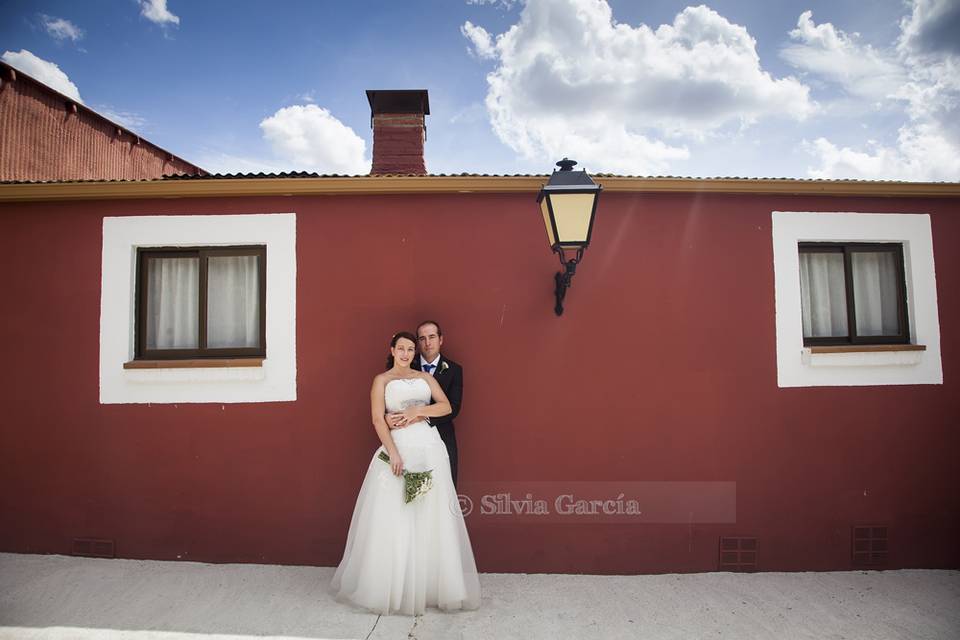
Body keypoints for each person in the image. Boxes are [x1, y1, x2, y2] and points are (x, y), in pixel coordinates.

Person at [331, 332, 481, 615]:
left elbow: (446, 406)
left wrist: (417, 412)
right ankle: (393, 586)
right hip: (399, 448)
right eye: (401, 348)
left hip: (429, 449)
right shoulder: (382, 380)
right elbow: (378, 418)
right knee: (396, 514)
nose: (406, 353)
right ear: (392, 350)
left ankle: (429, 586)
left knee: (429, 515)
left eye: (411, 349)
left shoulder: (425, 378)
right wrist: (393, 453)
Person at [397, 320, 464, 488]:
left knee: (444, 486)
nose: (427, 343)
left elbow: (454, 408)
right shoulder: (406, 364)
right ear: (418, 342)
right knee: (409, 486)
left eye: (432, 337)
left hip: (442, 435)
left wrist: (421, 415)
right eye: (422, 338)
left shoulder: (455, 370)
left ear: (441, 339)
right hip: (408, 436)